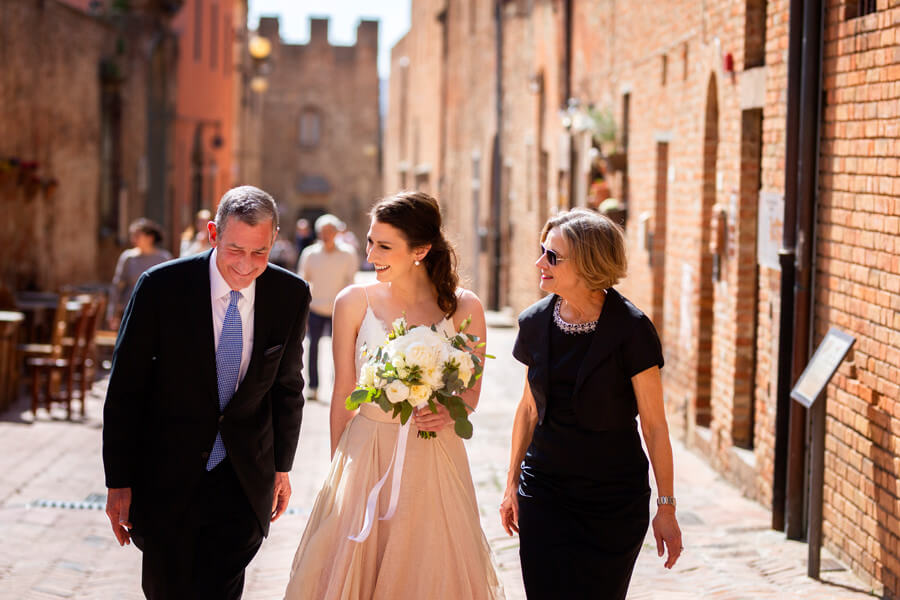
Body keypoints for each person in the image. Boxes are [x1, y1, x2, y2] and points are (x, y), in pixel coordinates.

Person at [283, 191, 504, 599]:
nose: (370, 254)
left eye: (384, 246)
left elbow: (471, 393)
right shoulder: (354, 301)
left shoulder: (464, 307)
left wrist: (448, 413)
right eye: (370, 241)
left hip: (436, 457)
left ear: (420, 250)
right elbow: (343, 393)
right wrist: (339, 474)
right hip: (366, 455)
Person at [103, 186, 311, 599]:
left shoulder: (289, 295)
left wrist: (281, 467)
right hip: (165, 477)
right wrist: (119, 480)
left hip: (242, 478)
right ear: (214, 233)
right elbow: (126, 388)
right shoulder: (161, 287)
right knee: (167, 588)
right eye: (236, 250)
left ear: (274, 242)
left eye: (260, 252)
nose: (247, 266)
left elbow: (287, 388)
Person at [499, 209, 682, 599]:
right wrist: (512, 483)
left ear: (587, 262)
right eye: (542, 251)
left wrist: (666, 507)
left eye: (552, 256)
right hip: (544, 491)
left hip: (612, 500)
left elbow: (653, 425)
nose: (539, 263)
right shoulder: (534, 323)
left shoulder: (632, 330)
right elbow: (529, 409)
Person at [296, 214, 358, 401]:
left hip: (339, 311)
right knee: (312, 348)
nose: (326, 235)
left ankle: (337, 386)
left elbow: (350, 282)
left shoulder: (348, 254)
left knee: (339, 350)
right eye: (323, 232)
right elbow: (303, 282)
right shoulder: (310, 254)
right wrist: (302, 310)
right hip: (315, 308)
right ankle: (313, 387)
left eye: (330, 231)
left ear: (336, 232)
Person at [109, 218, 173, 329]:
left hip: (156, 312)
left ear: (150, 238)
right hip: (130, 310)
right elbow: (117, 286)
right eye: (132, 236)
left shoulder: (164, 258)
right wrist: (112, 313)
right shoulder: (128, 258)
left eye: (138, 235)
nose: (134, 239)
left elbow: (171, 287)